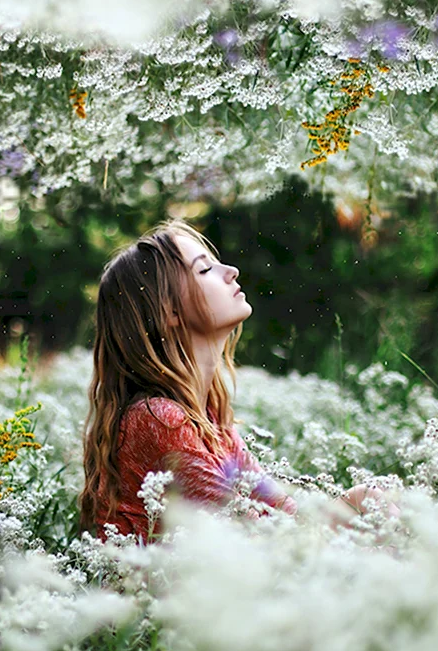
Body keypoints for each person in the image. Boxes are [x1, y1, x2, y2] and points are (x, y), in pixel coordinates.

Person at [80, 219, 383, 543]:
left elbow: (284, 510)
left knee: (370, 500)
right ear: (169, 310)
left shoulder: (209, 416)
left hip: (238, 574)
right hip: (171, 591)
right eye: (205, 269)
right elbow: (254, 534)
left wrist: (360, 505)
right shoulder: (159, 420)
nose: (232, 271)